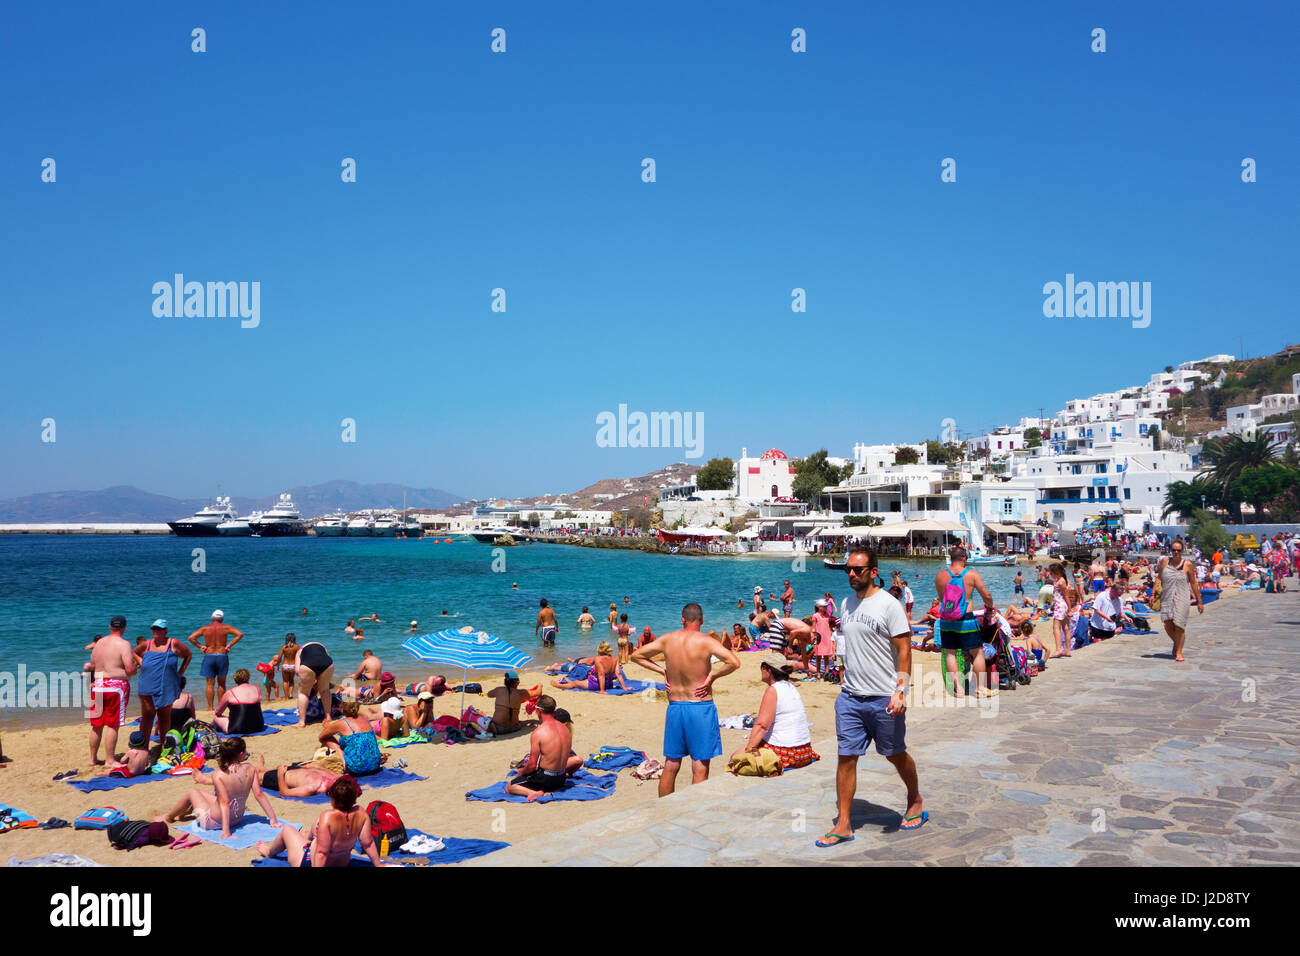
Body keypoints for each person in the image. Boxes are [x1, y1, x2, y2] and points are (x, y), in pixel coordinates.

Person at [817, 547, 924, 847]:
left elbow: (905, 649)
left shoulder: (890, 605)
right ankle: (844, 823)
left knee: (894, 754)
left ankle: (914, 799)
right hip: (850, 697)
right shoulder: (845, 603)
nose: (851, 574)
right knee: (846, 758)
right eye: (848, 569)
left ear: (873, 571)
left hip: (884, 698)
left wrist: (900, 690)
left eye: (858, 569)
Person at [629, 603, 740, 797]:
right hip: (700, 707)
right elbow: (734, 662)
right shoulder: (706, 642)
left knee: (671, 764)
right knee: (700, 765)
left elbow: (636, 655)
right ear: (702, 619)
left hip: (675, 707)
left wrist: (662, 670)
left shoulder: (667, 639)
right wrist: (712, 677)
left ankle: (665, 809)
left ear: (682, 619)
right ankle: (693, 811)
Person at [157, 737, 279, 839]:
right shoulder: (251, 769)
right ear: (241, 754)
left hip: (213, 822)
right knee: (202, 794)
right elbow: (259, 795)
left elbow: (225, 802)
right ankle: (183, 811)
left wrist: (225, 831)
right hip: (237, 819)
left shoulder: (218, 775)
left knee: (192, 792)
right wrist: (273, 819)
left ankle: (168, 817)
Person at [255, 775, 385, 867]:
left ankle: (269, 851)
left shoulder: (327, 816)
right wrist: (378, 864)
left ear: (333, 798)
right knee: (311, 832)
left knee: (288, 830)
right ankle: (305, 838)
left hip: (311, 863)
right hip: (342, 863)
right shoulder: (361, 813)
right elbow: (367, 843)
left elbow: (322, 852)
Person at [730, 656, 819, 770]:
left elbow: (762, 725)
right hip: (805, 751)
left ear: (769, 670)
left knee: (734, 759)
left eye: (762, 667)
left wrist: (748, 751)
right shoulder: (791, 687)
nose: (761, 670)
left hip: (787, 753)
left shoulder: (773, 690)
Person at [86, 615, 138, 769]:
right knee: (112, 724)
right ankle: (109, 759)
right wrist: (134, 668)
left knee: (96, 725)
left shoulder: (99, 643)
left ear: (110, 627)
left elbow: (93, 665)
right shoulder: (124, 644)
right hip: (115, 687)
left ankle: (92, 759)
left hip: (98, 684)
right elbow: (129, 669)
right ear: (124, 628)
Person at [134, 619, 191, 746]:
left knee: (164, 717)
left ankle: (165, 747)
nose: (156, 631)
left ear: (165, 630)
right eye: (154, 628)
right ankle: (143, 747)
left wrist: (180, 672)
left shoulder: (173, 643)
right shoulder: (147, 644)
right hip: (147, 684)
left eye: (159, 629)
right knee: (147, 716)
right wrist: (141, 662)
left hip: (167, 685)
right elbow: (135, 652)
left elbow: (188, 655)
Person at [505, 696, 572, 802]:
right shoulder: (565, 728)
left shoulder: (539, 732)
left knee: (510, 787)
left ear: (539, 710)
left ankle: (534, 793)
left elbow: (532, 765)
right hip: (560, 779)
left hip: (546, 779)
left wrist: (522, 772)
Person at [186, 610, 244, 711]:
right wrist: (229, 645)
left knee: (209, 684)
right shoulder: (226, 627)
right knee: (221, 683)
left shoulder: (205, 628)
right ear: (222, 619)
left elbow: (191, 638)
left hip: (209, 656)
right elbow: (240, 634)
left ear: (212, 618)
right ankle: (220, 707)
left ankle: (210, 707)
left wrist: (201, 646)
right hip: (222, 655)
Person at [1157, 537, 1202, 662]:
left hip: (1182, 596)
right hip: (1167, 596)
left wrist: (1199, 601)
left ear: (1182, 551)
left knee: (1179, 625)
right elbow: (1159, 578)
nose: (1176, 552)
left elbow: (1193, 583)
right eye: (1173, 550)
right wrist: (1153, 594)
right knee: (1167, 624)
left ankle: (1179, 652)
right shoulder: (1165, 562)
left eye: (1178, 550)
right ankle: (1177, 643)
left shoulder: (1187, 565)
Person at [319, 699, 382, 775]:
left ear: (342, 710)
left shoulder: (342, 723)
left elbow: (321, 737)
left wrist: (328, 728)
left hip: (356, 768)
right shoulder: (364, 719)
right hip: (375, 765)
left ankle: (344, 763)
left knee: (327, 739)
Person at [253, 754, 341, 798]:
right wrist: (314, 766)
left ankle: (260, 769)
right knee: (275, 770)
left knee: (253, 776)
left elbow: (285, 792)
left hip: (281, 778)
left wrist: (280, 774)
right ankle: (262, 768)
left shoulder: (312, 787)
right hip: (300, 770)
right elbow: (320, 768)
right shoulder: (335, 777)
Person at [293, 641, 335, 727]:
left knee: (303, 693)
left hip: (308, 664)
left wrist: (309, 680)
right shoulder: (323, 647)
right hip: (327, 664)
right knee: (325, 690)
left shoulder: (299, 651)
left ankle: (301, 722)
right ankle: (328, 716)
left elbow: (297, 670)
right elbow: (326, 658)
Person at [212, 669, 267, 734]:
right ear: (248, 677)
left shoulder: (230, 692)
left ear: (235, 679)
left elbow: (218, 712)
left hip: (236, 729)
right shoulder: (256, 689)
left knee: (215, 716)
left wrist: (215, 712)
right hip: (258, 727)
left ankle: (213, 727)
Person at [810, 600, 836, 678]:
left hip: (827, 637)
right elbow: (813, 628)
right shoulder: (815, 615)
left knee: (826, 656)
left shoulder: (827, 615)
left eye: (826, 606)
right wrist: (813, 638)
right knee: (818, 656)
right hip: (818, 638)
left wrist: (832, 638)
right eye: (824, 606)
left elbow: (829, 627)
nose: (826, 607)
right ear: (819, 607)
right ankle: (818, 673)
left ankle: (827, 672)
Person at [270, 633, 299, 701]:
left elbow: (279, 658)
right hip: (293, 665)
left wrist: (277, 666)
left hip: (285, 666)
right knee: (291, 681)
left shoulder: (283, 647)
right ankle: (291, 694)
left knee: (285, 681)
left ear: (286, 639)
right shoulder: (297, 647)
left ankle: (286, 697)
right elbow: (300, 656)